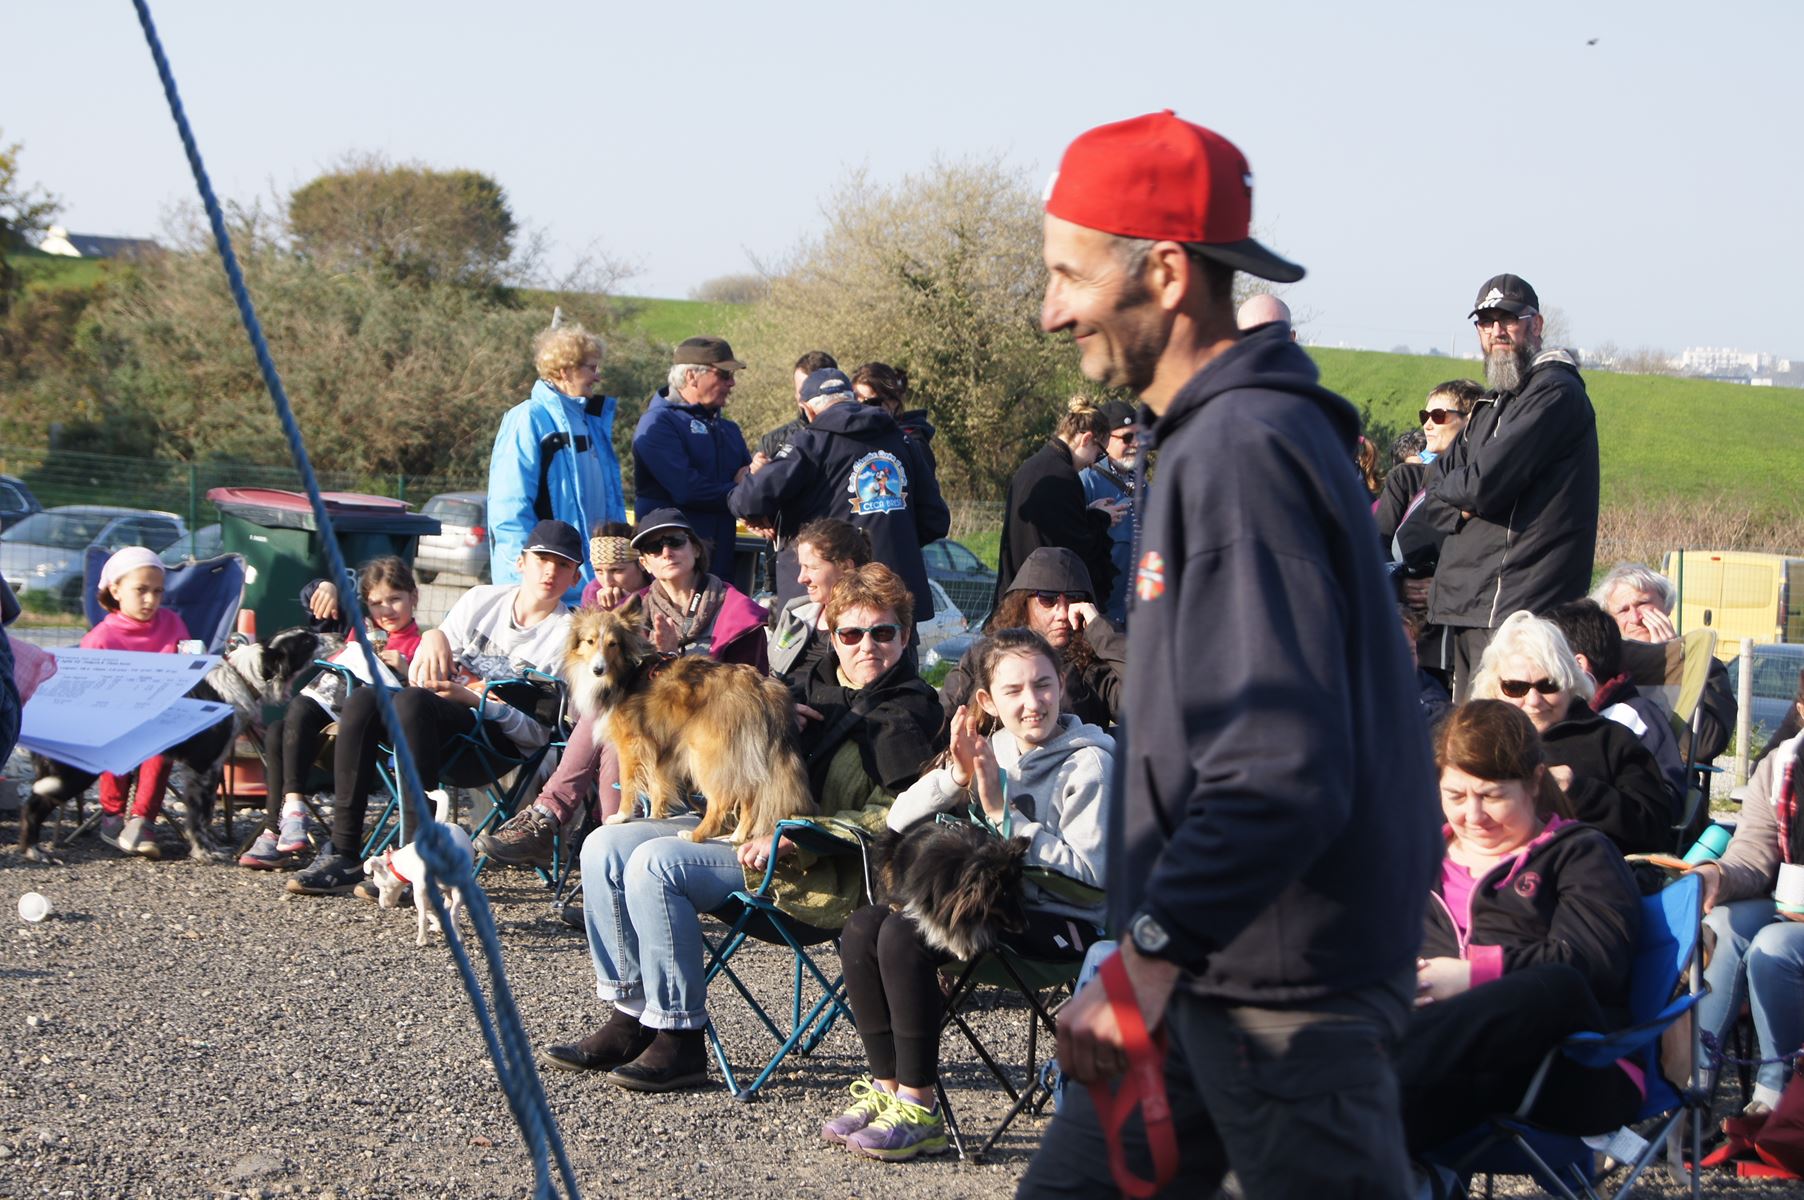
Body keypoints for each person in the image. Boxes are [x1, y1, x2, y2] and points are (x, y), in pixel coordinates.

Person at [1018, 111, 1439, 1200]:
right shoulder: (1220, 440)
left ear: (1162, 271)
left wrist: (1145, 954)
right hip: (1212, 964)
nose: (1050, 307)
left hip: (1278, 989)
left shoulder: (1243, 453)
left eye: (1068, 274)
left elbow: (1277, 765)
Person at [540, 564, 943, 1091]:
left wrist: (805, 832)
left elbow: (900, 815)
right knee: (604, 846)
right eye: (851, 632)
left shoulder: (913, 711)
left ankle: (680, 1035)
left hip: (815, 864)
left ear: (905, 635)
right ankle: (630, 1012)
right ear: (831, 634)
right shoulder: (803, 685)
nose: (867, 646)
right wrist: (765, 713)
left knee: (656, 865)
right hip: (736, 826)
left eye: (883, 632)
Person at [821, 628, 1112, 1161]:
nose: (1032, 703)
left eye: (1043, 685)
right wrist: (955, 775)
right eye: (1014, 691)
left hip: (1065, 926)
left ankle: (921, 1106)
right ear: (986, 702)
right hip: (992, 912)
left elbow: (1092, 878)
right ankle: (889, 1090)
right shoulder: (992, 748)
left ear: (1063, 685)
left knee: (906, 936)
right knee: (864, 926)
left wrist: (1003, 814)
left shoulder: (1089, 763)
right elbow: (899, 821)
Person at [1394, 700, 1644, 1153]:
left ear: (1534, 782)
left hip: (1569, 1066)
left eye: (1491, 795)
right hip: (1451, 1078)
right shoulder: (1418, 860)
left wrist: (1471, 975)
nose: (1473, 815)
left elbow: (1594, 964)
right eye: (1455, 796)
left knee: (1557, 982)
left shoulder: (1580, 853)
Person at [287, 520, 581, 896]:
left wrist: (474, 699)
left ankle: (411, 865)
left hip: (495, 746)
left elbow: (538, 732)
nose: (550, 571)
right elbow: (429, 670)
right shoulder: (480, 600)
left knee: (412, 703)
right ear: (522, 561)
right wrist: (433, 635)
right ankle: (343, 854)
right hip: (435, 723)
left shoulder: (567, 634)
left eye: (563, 565)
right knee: (364, 698)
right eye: (542, 558)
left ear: (575, 578)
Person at [474, 510, 770, 868]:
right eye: (652, 547)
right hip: (644, 732)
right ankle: (600, 855)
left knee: (617, 724)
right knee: (613, 719)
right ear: (643, 561)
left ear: (695, 547)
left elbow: (744, 685)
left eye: (674, 541)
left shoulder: (734, 610)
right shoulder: (634, 609)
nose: (665, 552)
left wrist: (677, 653)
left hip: (704, 729)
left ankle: (561, 824)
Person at [1423, 275, 1598, 702]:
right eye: (1486, 322)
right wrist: (1460, 502)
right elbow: (1432, 491)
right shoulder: (1490, 406)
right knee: (1466, 736)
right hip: (1469, 604)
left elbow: (1484, 484)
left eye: (1509, 320)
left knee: (1500, 741)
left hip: (1517, 607)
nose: (1497, 331)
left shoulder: (1554, 393)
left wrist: (1468, 496)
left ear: (1535, 325)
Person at [239, 557, 424, 870]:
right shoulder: (360, 629)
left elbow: (424, 700)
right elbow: (315, 604)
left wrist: (408, 670)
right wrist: (325, 586)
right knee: (277, 730)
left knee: (291, 717)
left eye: (395, 599)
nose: (386, 610)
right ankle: (284, 821)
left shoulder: (421, 644)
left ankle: (281, 823)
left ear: (414, 598)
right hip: (323, 722)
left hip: (366, 736)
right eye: (377, 603)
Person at [729, 368, 949, 618]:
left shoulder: (810, 442)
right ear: (852, 398)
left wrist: (746, 481)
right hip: (895, 601)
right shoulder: (903, 440)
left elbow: (747, 501)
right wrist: (893, 539)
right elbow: (936, 520)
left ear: (807, 409)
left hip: (828, 605)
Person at [1469, 611, 1673, 855]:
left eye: (1548, 685)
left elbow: (1657, 829)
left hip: (1584, 876)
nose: (1534, 700)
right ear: (1495, 689)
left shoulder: (1611, 741)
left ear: (1570, 682)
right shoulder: (1475, 743)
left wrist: (1581, 791)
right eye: (1516, 688)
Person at [1693, 728, 1804, 1121]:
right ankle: (1693, 1089)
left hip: (1791, 923)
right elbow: (1754, 854)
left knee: (1774, 948)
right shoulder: (1780, 765)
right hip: (1792, 904)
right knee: (1722, 923)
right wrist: (1715, 875)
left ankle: (1777, 1094)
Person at [487, 323, 625, 599]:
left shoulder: (593, 423)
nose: (598, 378)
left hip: (590, 589)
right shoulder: (527, 419)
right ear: (565, 370)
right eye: (591, 368)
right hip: (547, 590)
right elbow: (509, 510)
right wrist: (525, 585)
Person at [78, 547, 195, 858]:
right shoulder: (100, 638)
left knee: (160, 742)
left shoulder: (172, 624)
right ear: (115, 590)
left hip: (161, 718)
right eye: (141, 590)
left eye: (157, 591)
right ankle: (112, 814)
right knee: (117, 738)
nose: (151, 600)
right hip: (113, 720)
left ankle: (143, 819)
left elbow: (190, 666)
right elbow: (86, 692)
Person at [940, 547, 1124, 729]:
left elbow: (1147, 704)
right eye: (1048, 599)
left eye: (1073, 599)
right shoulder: (984, 657)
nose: (1062, 612)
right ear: (1023, 603)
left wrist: (1101, 630)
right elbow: (941, 722)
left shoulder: (1094, 666)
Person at [1592, 561, 1736, 765]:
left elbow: (1704, 745)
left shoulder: (1705, 667)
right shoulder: (1602, 670)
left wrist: (1671, 664)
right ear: (1611, 621)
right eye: (1623, 610)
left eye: (1643, 604)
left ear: (1666, 606)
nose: (1635, 617)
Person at [1546, 598, 1687, 804]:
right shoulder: (1551, 714)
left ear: (1579, 665)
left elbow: (1667, 799)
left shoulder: (1635, 717)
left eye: (1545, 661)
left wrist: (1581, 791)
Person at [631, 336, 753, 564]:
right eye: (724, 374)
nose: (732, 383)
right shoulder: (658, 424)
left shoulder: (728, 429)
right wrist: (738, 489)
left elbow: (749, 478)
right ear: (691, 377)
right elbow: (687, 489)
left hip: (719, 559)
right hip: (672, 563)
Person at [993, 397, 1119, 609]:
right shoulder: (1063, 477)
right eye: (1099, 455)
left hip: (1014, 595)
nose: (1093, 463)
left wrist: (1088, 513)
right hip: (1043, 603)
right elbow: (1074, 551)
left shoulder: (1030, 467)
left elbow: (1053, 527)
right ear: (1086, 439)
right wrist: (1101, 519)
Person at [767, 518, 872, 684]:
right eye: (801, 567)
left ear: (846, 568)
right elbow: (771, 670)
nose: (801, 578)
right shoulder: (796, 612)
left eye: (812, 568)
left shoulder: (873, 624)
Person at [1078, 399, 1139, 625]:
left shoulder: (1145, 488)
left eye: (1139, 436)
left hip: (1140, 617)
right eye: (1127, 437)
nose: (1136, 443)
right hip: (1103, 618)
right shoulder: (1086, 482)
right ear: (1104, 439)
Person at [852, 362, 937, 470]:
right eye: (854, 403)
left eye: (870, 403)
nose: (862, 410)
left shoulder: (913, 444)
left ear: (893, 401)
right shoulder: (852, 439)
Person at [757, 350, 838, 462]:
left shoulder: (858, 434)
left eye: (815, 392)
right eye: (803, 392)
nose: (808, 400)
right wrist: (755, 472)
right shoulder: (773, 443)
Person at [579, 521, 651, 611]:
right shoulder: (592, 594)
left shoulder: (662, 591)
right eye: (598, 571)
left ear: (642, 563)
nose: (607, 582)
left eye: (615, 570)